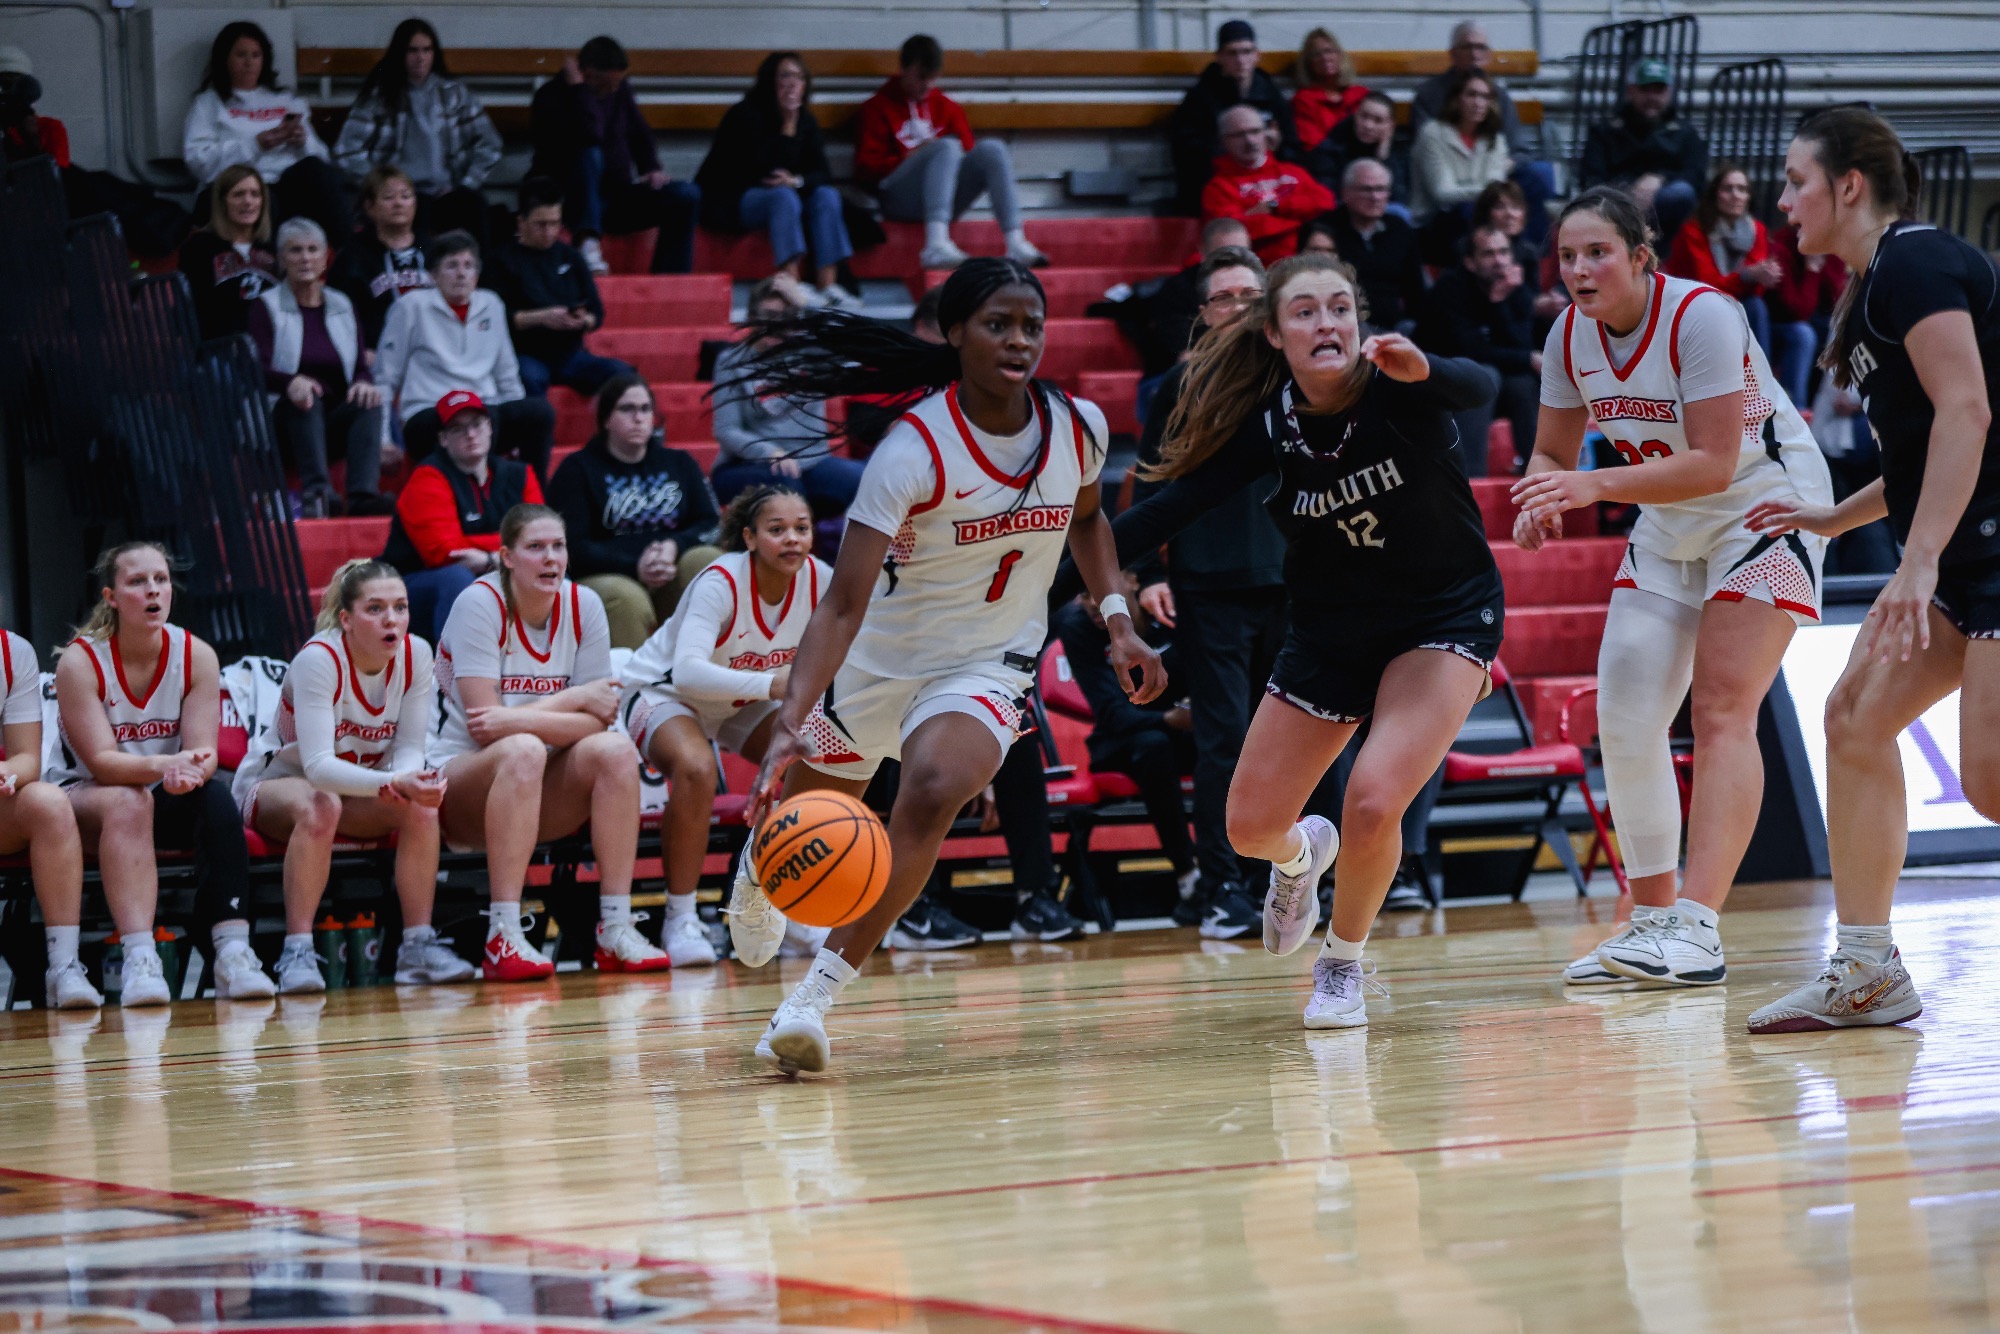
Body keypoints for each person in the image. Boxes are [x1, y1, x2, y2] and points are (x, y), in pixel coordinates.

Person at [716, 259, 1161, 1074]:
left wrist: (1119, 619)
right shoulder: (912, 450)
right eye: (998, 324)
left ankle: (810, 1001)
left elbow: (1091, 521)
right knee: (809, 823)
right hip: (879, 664)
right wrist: (790, 721)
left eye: (1031, 325)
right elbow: (840, 605)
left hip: (989, 663)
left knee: (929, 790)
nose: (1019, 340)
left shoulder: (1078, 427)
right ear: (956, 333)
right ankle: (759, 867)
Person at [1081, 253, 1503, 1029]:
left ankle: (1341, 965)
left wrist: (1427, 366)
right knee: (1248, 827)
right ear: (1275, 334)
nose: (1326, 323)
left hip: (1440, 618)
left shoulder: (1400, 386)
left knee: (1373, 799)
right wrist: (1056, 570)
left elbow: (1483, 384)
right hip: (1332, 631)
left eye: (1340, 307)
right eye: (1305, 311)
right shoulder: (1270, 425)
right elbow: (1159, 515)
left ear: (1359, 319)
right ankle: (1300, 855)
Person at [1510, 186, 1832, 991]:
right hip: (1670, 521)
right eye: (1568, 257)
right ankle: (1651, 926)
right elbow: (1551, 453)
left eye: (1597, 253)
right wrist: (1540, 496)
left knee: (1721, 708)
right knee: (1624, 717)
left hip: (1766, 505)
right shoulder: (1567, 334)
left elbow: (1715, 463)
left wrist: (1591, 487)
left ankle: (1698, 927)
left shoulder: (1702, 315)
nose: (1579, 270)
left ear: (1641, 258)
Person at [1740, 108, 2000, 1033]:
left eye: (1795, 180)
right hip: (1967, 559)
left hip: (1981, 555)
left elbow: (1968, 412)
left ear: (1848, 184)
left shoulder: (1915, 261)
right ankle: (1867, 971)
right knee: (1853, 718)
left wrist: (1915, 564)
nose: (1782, 201)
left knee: (1990, 780)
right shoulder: (1873, 286)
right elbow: (1926, 454)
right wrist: (1834, 517)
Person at [429, 503, 662, 979]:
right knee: (523, 750)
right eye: (535, 547)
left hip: (536, 786)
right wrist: (573, 699)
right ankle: (503, 933)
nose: (551, 558)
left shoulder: (584, 605)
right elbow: (484, 727)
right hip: (457, 785)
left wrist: (518, 718)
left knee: (616, 751)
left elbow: (597, 723)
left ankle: (616, 925)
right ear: (506, 557)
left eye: (558, 546)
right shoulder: (479, 604)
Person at [1128, 245, 1286, 934]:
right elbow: (1150, 482)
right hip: (1210, 587)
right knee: (1224, 742)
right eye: (1226, 298)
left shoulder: (1297, 375)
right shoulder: (1181, 383)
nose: (1239, 308)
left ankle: (1287, 876)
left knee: (1293, 744)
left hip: (1291, 585)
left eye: (1251, 296)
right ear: (1204, 312)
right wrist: (1150, 574)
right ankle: (1223, 886)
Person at [48, 542, 277, 1004]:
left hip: (158, 791)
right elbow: (102, 763)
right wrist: (164, 765)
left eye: (161, 580)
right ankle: (140, 958)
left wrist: (190, 772)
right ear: (111, 597)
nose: (153, 590)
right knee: (130, 800)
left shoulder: (196, 655)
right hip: (82, 800)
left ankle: (233, 950)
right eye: (137, 582)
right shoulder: (80, 662)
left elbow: (203, 753)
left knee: (215, 797)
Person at [231, 560, 473, 993]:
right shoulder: (318, 659)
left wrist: (407, 782)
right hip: (275, 786)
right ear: (346, 619)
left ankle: (417, 947)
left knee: (420, 805)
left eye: (400, 607)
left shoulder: (417, 654)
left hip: (357, 789)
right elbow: (318, 767)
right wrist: (392, 783)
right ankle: (297, 952)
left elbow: (410, 747)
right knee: (321, 803)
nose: (391, 619)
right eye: (375, 609)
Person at [620, 485, 831, 967]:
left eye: (801, 528)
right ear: (749, 538)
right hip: (663, 692)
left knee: (815, 760)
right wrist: (773, 684)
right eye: (777, 529)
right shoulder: (720, 581)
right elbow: (687, 672)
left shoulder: (821, 580)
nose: (792, 539)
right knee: (696, 768)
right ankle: (680, 918)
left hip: (741, 699)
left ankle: (787, 903)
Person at [547, 374, 723, 649]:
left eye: (645, 409)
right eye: (627, 409)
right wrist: (634, 566)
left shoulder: (679, 463)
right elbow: (573, 546)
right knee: (626, 598)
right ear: (606, 419)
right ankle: (635, 676)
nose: (638, 418)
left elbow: (710, 523)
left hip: (668, 568)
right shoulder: (577, 469)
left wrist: (674, 546)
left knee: (708, 560)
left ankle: (706, 663)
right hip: (610, 573)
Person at [1054, 585, 1198, 907]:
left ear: (1134, 580)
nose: (1092, 603)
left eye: (1097, 590)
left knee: (1223, 743)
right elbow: (1111, 714)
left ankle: (1238, 872)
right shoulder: (1078, 627)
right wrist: (1169, 719)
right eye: (1084, 593)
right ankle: (1187, 874)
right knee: (1155, 746)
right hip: (1119, 742)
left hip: (1183, 733)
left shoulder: (1169, 611)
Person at [853, 34, 1047, 271]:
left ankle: (1015, 242)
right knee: (946, 146)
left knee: (992, 148)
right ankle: (935, 245)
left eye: (932, 78)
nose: (927, 85)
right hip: (898, 199)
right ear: (903, 69)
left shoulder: (947, 108)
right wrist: (909, 157)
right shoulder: (877, 108)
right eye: (920, 77)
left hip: (945, 200)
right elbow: (865, 170)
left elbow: (969, 155)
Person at [375, 231, 556, 480]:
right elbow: (386, 377)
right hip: (429, 413)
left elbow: (506, 374)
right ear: (433, 275)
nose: (461, 273)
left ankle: (533, 495)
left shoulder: (492, 304)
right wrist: (383, 439)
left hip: (485, 412)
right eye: (452, 266)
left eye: (468, 266)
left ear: (477, 275)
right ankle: (486, 490)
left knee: (540, 412)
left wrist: (515, 423)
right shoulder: (410, 306)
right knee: (478, 418)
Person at [249, 218, 389, 519]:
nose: (305, 258)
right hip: (283, 423)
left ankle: (363, 497)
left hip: (330, 423)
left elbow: (359, 367)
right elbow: (255, 367)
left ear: (325, 258)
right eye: (295, 250)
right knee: (306, 396)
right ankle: (319, 493)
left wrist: (363, 382)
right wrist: (290, 382)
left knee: (368, 401)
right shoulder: (266, 305)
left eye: (313, 250)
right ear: (282, 259)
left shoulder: (342, 304)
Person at [695, 52, 857, 309]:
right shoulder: (744, 115)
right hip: (736, 198)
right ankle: (791, 283)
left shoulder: (806, 120)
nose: (792, 84)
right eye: (785, 76)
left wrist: (797, 180)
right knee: (783, 197)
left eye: (799, 77)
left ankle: (829, 286)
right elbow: (762, 167)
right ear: (770, 80)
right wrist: (787, 126)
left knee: (826, 195)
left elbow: (822, 172)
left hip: (785, 196)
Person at [528, 36, 699, 277]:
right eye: (607, 83)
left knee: (686, 195)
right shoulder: (551, 97)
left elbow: (639, 131)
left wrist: (651, 167)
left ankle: (671, 279)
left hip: (617, 197)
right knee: (590, 154)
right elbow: (591, 134)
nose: (613, 90)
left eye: (618, 83)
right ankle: (587, 242)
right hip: (572, 203)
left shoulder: (619, 91)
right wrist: (580, 91)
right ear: (586, 74)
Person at [382, 390, 545, 641]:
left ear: (490, 427)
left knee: (549, 573)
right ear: (443, 439)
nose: (470, 434)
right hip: (417, 584)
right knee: (456, 576)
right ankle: (457, 664)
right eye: (457, 429)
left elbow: (542, 538)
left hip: (493, 570)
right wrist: (518, 550)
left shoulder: (520, 474)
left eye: (476, 424)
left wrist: (492, 558)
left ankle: (551, 660)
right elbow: (446, 552)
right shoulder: (427, 478)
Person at [0, 626, 102, 1010]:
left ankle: (63, 967)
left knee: (49, 803)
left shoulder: (13, 651)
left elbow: (27, 759)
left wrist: (6, 772)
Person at [333, 19, 501, 244]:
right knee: (416, 223)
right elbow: (346, 149)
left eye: (426, 50)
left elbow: (490, 144)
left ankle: (479, 267)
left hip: (448, 191)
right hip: (401, 195)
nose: (420, 57)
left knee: (475, 206)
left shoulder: (454, 93)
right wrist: (379, 187)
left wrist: (466, 184)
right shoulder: (379, 95)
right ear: (400, 53)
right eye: (412, 50)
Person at [711, 277, 869, 510]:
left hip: (811, 462)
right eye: (769, 315)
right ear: (751, 318)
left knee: (866, 480)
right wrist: (771, 452)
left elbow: (856, 334)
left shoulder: (811, 353)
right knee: (786, 489)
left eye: (786, 317)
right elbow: (727, 430)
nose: (777, 324)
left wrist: (805, 303)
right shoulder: (731, 361)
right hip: (749, 464)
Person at [181, 21, 346, 240]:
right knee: (265, 199)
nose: (249, 63)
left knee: (319, 174)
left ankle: (344, 249)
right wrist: (255, 145)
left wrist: (303, 141)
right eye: (241, 55)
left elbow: (321, 158)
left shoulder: (286, 100)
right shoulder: (209, 103)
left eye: (256, 55)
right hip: (239, 186)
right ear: (225, 59)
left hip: (286, 181)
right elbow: (198, 163)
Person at [483, 177, 634, 400]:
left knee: (624, 376)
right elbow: (495, 318)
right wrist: (541, 318)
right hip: (526, 353)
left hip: (570, 354)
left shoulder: (571, 257)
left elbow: (596, 313)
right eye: (541, 224)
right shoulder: (501, 261)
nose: (549, 231)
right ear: (521, 222)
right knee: (527, 377)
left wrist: (582, 320)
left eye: (555, 223)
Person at [1416, 223, 1540, 468]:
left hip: (1490, 378)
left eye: (1504, 252)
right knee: (1485, 375)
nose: (1499, 261)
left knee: (1522, 384)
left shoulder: (1515, 287)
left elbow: (1520, 343)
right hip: (1438, 376)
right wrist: (1528, 358)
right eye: (1488, 254)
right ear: (1470, 262)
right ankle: (1472, 477)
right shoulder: (1451, 288)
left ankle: (1539, 474)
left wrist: (1500, 302)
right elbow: (1469, 351)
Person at [1168, 19, 1300, 217]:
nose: (1240, 60)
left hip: (1267, 184)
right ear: (1219, 57)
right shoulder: (1200, 97)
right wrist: (1239, 148)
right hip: (1222, 184)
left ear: (1257, 55)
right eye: (1232, 53)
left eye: (1246, 52)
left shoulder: (1271, 94)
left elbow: (1292, 146)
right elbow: (1187, 153)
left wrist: (1277, 146)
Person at [1580, 59, 1707, 244]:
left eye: (1658, 91)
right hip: (1617, 203)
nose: (1652, 97)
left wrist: (1660, 178)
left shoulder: (1685, 133)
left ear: (1669, 93)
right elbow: (1591, 177)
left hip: (1666, 205)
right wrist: (1627, 193)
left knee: (1681, 193)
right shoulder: (1605, 131)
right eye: (1645, 90)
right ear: (1631, 91)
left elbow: (1697, 176)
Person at [1666, 163, 1785, 355]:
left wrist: (1765, 274)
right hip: (1693, 304)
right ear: (1715, 195)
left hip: (1736, 304)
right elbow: (1707, 285)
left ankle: (1759, 373)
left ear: (1748, 197)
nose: (1735, 195)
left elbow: (1757, 288)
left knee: (1795, 330)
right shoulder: (1694, 230)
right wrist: (1746, 276)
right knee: (1752, 308)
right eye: (1728, 189)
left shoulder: (1757, 230)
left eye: (1742, 189)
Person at [1201, 105, 1335, 265]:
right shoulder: (1217, 188)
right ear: (1223, 141)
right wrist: (1298, 221)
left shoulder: (1293, 172)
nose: (1249, 141)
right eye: (1238, 135)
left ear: (1266, 132)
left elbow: (1325, 202)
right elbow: (1235, 233)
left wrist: (1274, 207)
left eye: (1255, 131)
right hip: (1259, 268)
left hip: (1309, 262)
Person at [329, 166, 436, 353]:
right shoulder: (354, 255)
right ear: (370, 206)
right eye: (388, 197)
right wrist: (360, 352)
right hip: (376, 355)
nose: (398, 203)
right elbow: (338, 313)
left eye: (405, 196)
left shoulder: (431, 249)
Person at [1410, 68, 1512, 253]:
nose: (1478, 103)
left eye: (1485, 97)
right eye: (1471, 95)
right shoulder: (1432, 133)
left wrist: (1484, 193)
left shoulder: (1495, 139)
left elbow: (1494, 191)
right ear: (1456, 99)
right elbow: (1442, 193)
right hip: (1433, 218)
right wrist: (1483, 191)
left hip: (1481, 216)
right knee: (1468, 210)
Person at [178, 164, 280, 341]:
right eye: (238, 194)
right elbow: (191, 311)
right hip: (220, 346)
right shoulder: (199, 248)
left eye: (255, 194)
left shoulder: (273, 248)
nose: (248, 201)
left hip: (270, 345)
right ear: (222, 202)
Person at [1321, 159, 1425, 331]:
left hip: (1394, 328)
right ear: (1345, 193)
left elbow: (1415, 291)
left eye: (1381, 189)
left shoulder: (1400, 230)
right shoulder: (1324, 231)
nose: (1375, 197)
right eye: (1366, 189)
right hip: (1340, 325)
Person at [1766, 222, 1846, 410]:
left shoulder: (1829, 247)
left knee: (1833, 329)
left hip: (1811, 321)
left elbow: (1837, 297)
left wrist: (1820, 259)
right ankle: (1796, 408)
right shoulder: (1781, 246)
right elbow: (1798, 310)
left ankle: (1814, 407)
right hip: (1777, 324)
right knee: (1804, 334)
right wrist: (1812, 270)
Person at [1473, 179, 1568, 324]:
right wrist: (1533, 306)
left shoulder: (1528, 252)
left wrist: (1550, 301)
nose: (1510, 214)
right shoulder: (1470, 249)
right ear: (1486, 213)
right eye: (1500, 207)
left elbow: (1533, 296)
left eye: (1516, 207)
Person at [1302, 90, 1406, 206]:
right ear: (1356, 115)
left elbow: (1399, 198)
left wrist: (1384, 157)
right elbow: (1327, 194)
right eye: (1364, 116)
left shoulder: (1399, 149)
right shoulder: (1332, 146)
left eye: (1378, 121)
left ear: (1390, 125)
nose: (1368, 125)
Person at [1291, 29, 1370, 154]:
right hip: (1328, 162)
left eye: (1329, 51)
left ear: (1340, 56)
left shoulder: (1361, 94)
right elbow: (1313, 146)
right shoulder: (1304, 101)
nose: (1325, 58)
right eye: (1317, 54)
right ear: (1309, 63)